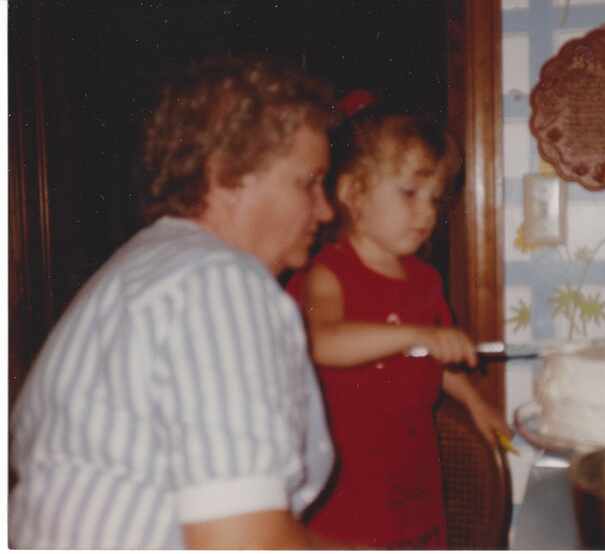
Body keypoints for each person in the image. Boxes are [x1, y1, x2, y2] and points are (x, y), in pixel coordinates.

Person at [9, 55, 346, 549]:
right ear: (228, 176)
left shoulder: (144, 269)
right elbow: (240, 543)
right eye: (307, 182)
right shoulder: (219, 283)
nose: (325, 208)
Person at [287, 95, 512, 548]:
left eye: (435, 198)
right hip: (345, 489)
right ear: (353, 193)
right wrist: (418, 334)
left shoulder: (426, 281)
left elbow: (436, 362)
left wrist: (474, 402)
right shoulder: (328, 273)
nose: (428, 213)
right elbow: (321, 342)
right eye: (410, 193)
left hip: (415, 481)